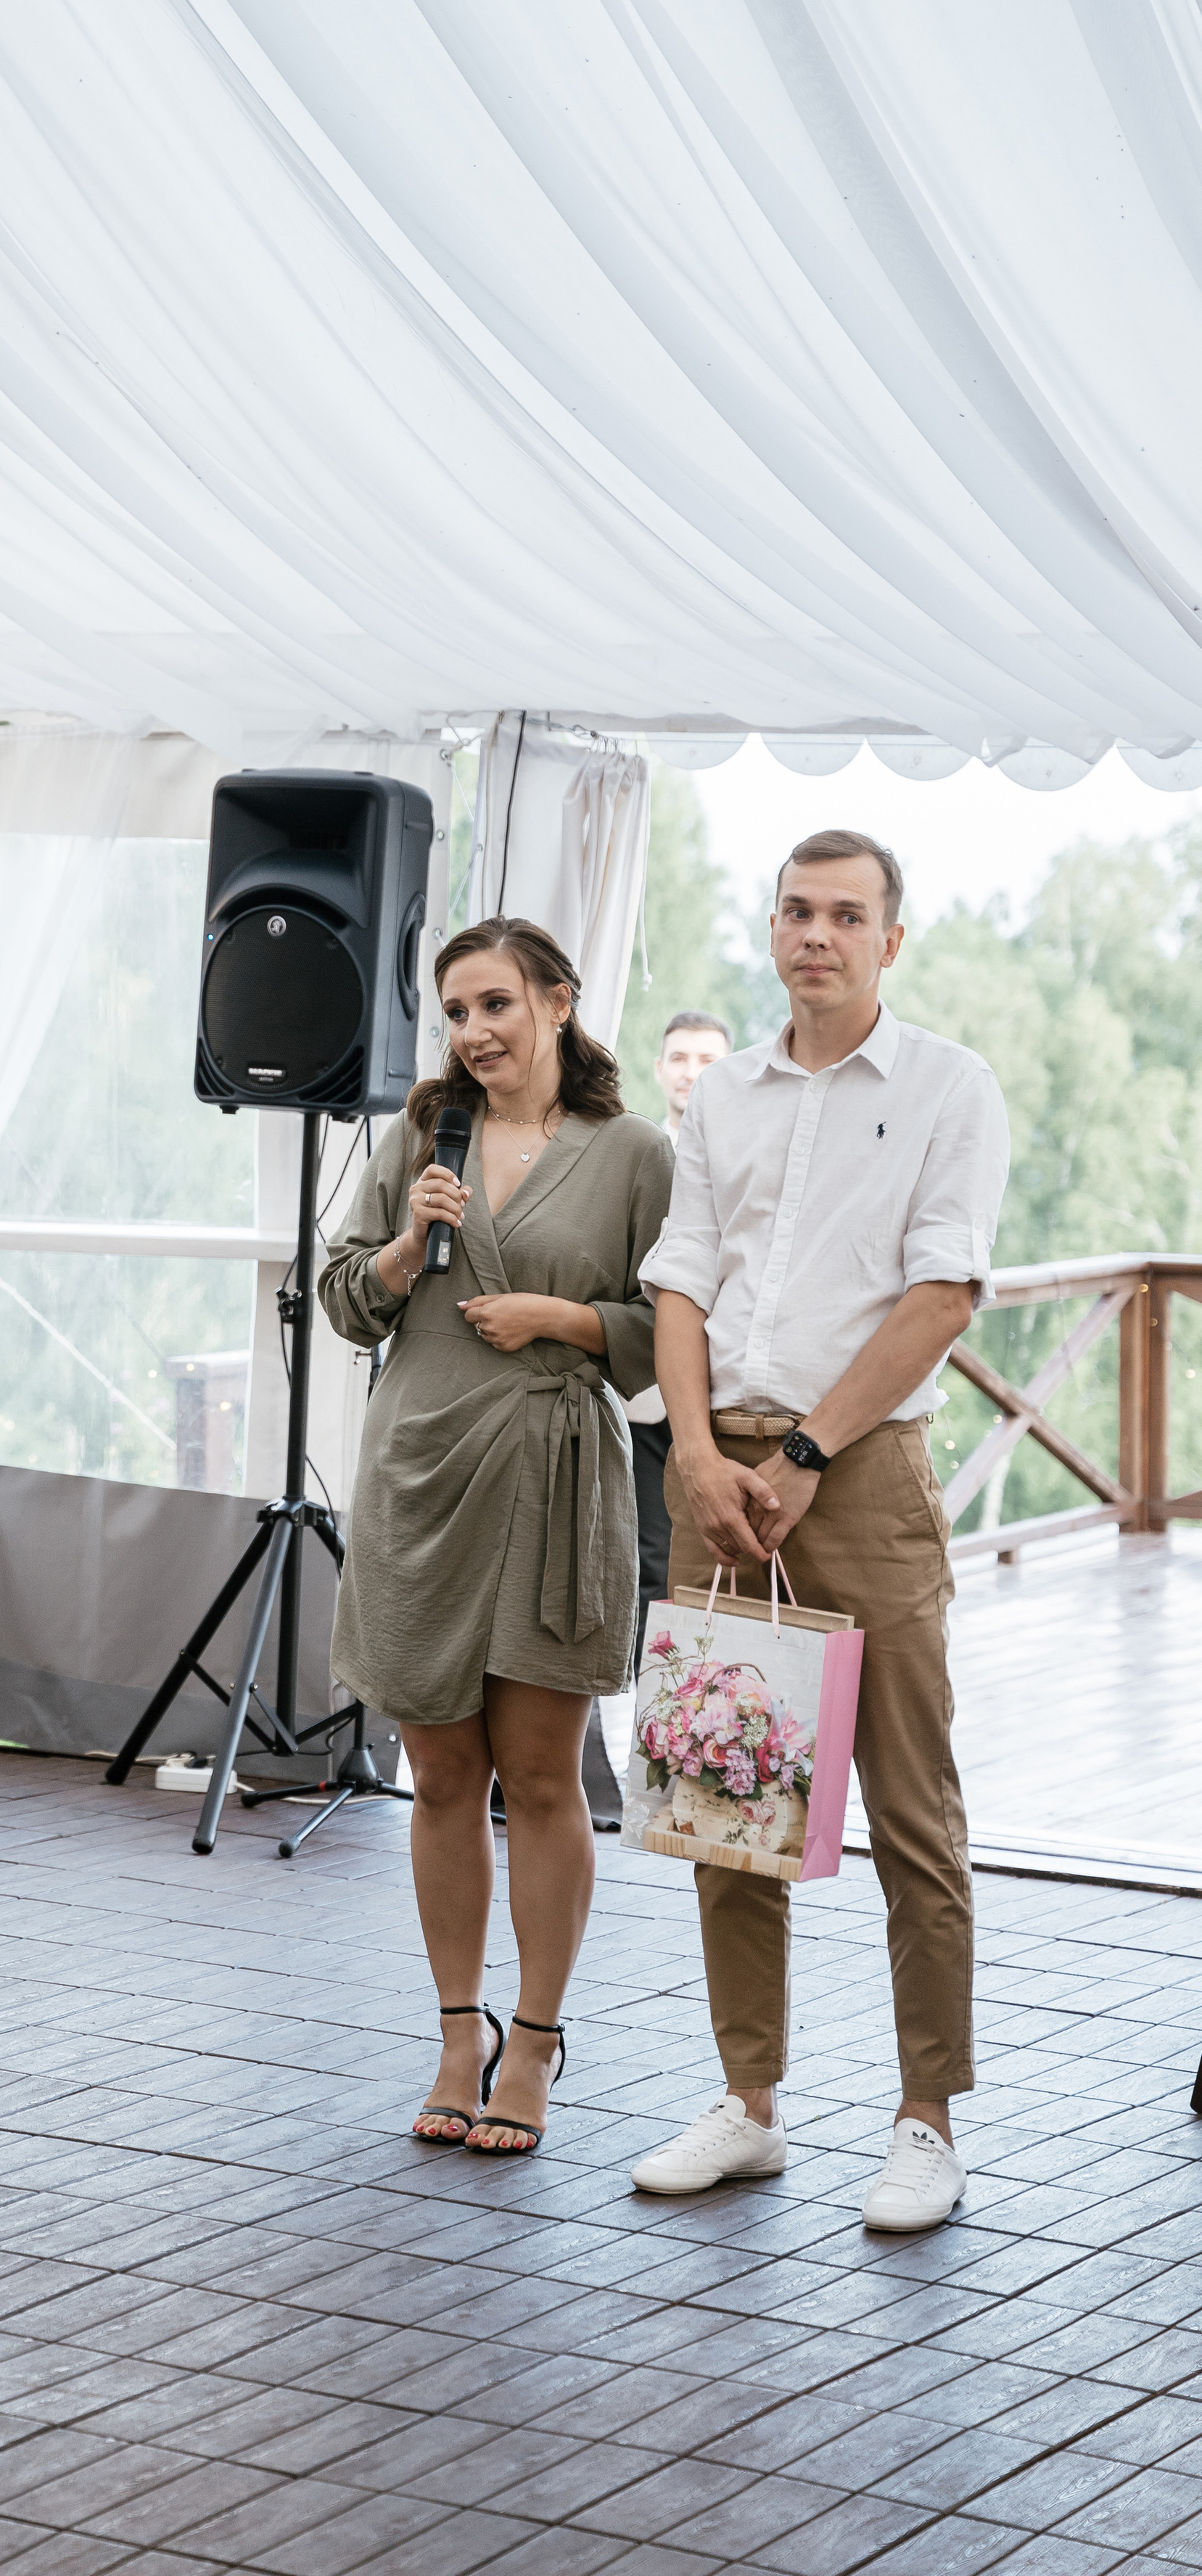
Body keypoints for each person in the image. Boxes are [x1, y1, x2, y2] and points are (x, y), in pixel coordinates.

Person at [635, 830, 1008, 2233]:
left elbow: (941, 1296)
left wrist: (802, 1453)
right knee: (728, 1804)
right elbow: (679, 1280)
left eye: (849, 916)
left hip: (858, 1478)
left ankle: (927, 2120)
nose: (818, 936)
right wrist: (688, 1451)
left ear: (890, 943)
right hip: (719, 1479)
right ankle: (750, 2106)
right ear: (773, 924)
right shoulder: (719, 1095)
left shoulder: (946, 1089)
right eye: (798, 910)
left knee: (914, 1813)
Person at [320, 918, 674, 2156]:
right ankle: (456, 2029)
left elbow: (670, 1329)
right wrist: (412, 1244)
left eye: (495, 1006)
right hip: (421, 1471)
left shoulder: (635, 1154)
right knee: (444, 1777)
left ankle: (537, 2036)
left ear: (559, 1004)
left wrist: (566, 1319)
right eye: (455, 1011)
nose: (473, 1033)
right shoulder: (420, 1136)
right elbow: (342, 1297)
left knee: (539, 1774)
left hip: (554, 1476)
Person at [622, 1013, 732, 1620]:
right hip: (645, 1387)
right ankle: (652, 1706)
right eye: (682, 1059)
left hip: (724, 1385)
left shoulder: (742, 1155)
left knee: (712, 1557)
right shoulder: (636, 1154)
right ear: (660, 1069)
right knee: (650, 1555)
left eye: (708, 1061)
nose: (693, 1072)